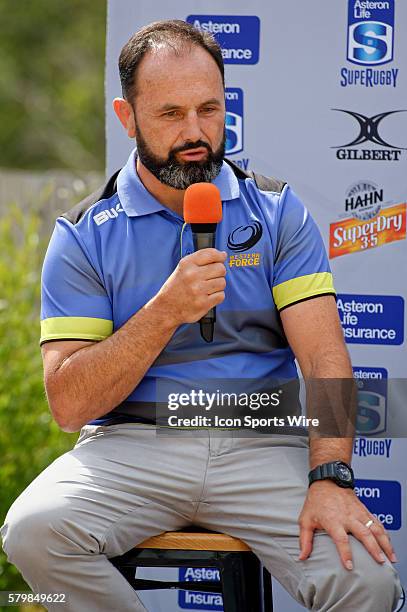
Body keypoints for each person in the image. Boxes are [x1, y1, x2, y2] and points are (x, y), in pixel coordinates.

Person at [0, 19, 401, 612]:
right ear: (127, 116)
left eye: (209, 110)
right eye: (170, 114)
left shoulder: (279, 211)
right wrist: (164, 312)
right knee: (32, 531)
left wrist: (332, 479)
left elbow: (323, 356)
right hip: (132, 445)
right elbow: (69, 404)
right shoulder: (83, 236)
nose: (196, 133)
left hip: (262, 443)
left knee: (368, 583)